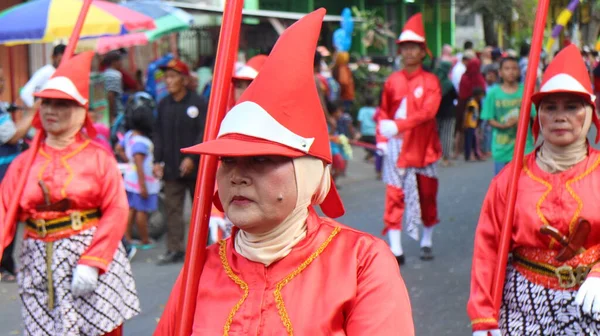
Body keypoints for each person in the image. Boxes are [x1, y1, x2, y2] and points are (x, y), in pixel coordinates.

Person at [154, 9, 414, 335]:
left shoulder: (361, 263)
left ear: (307, 174)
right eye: (227, 160)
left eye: (261, 160)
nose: (237, 176)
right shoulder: (200, 266)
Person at [0, 51, 139, 335]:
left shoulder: (98, 157)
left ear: (79, 109)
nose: (51, 110)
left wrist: (93, 261)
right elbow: (4, 212)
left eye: (62, 104)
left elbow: (116, 209)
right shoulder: (23, 163)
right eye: (46, 102)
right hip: (38, 260)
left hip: (89, 255)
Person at [468, 44, 600, 336]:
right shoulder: (510, 179)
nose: (559, 116)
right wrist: (484, 319)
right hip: (524, 307)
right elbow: (488, 250)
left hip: (594, 302)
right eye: (550, 107)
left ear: (590, 113)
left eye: (572, 107)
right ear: (538, 115)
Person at [376, 13, 442, 264]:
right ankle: (395, 248)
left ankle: (426, 238)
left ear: (423, 51)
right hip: (396, 147)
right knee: (394, 195)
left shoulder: (431, 81)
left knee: (427, 195)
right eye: (405, 47)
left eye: (414, 47)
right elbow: (383, 111)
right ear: (400, 51)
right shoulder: (392, 80)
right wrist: (382, 139)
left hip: (424, 148)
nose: (409, 52)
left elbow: (428, 112)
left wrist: (398, 125)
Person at [153, 59, 207, 265]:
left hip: (195, 168)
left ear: (184, 80)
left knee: (199, 209)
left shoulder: (198, 102)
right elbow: (157, 134)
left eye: (173, 76)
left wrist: (193, 157)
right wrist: (157, 160)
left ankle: (202, 248)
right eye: (166, 77)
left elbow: (203, 132)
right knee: (173, 209)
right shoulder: (163, 104)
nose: (168, 81)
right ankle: (175, 248)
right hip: (172, 168)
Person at [0, 67, 34, 283]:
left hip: (8, 174)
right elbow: (13, 136)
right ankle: (6, 266)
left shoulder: (3, 109)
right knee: (7, 219)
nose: (3, 83)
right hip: (4, 176)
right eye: (0, 79)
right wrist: (33, 113)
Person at [481, 56, 536, 175]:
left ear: (519, 71)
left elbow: (535, 116)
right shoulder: (493, 94)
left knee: (523, 187)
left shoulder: (526, 91)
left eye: (514, 68)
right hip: (501, 149)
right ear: (500, 73)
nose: (511, 71)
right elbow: (489, 119)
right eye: (507, 68)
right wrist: (504, 125)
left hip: (524, 148)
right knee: (502, 188)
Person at [119, 104, 159, 249]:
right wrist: (143, 186)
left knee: (132, 208)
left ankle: (127, 236)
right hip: (141, 181)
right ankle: (145, 239)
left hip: (130, 178)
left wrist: (126, 158)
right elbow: (140, 163)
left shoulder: (129, 135)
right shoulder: (142, 142)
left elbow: (119, 147)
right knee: (142, 210)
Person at [20, 44, 66, 108]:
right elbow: (25, 92)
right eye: (60, 61)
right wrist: (35, 108)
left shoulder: (63, 73)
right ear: (53, 57)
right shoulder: (46, 72)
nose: (62, 63)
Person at [434, 60, 458, 167]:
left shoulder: (434, 81)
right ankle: (445, 157)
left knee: (436, 134)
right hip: (448, 113)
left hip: (435, 112)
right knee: (447, 135)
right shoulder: (448, 84)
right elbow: (455, 96)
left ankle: (436, 155)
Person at [464, 87, 485, 161]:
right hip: (469, 125)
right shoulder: (472, 103)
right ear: (477, 95)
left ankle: (476, 155)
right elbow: (467, 112)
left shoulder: (475, 102)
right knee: (469, 141)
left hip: (473, 125)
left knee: (474, 141)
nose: (482, 97)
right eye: (481, 95)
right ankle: (468, 155)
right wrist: (465, 123)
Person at [357, 95, 378, 162]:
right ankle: (369, 156)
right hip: (373, 132)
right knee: (373, 147)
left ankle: (369, 156)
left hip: (364, 132)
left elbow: (360, 121)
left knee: (366, 145)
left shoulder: (362, 110)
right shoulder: (375, 111)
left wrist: (359, 130)